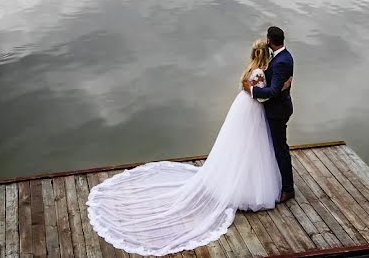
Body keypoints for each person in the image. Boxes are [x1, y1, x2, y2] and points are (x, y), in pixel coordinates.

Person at [87, 37, 292, 256]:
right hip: (254, 111)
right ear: (266, 54)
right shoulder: (261, 72)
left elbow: (263, 90)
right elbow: (265, 96)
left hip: (243, 109)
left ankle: (245, 181)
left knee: (243, 147)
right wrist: (276, 89)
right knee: (255, 148)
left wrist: (270, 88)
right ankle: (254, 186)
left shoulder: (251, 70)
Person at [244, 25, 295, 202]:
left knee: (280, 149)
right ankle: (279, 181)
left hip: (278, 112)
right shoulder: (284, 56)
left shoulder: (281, 61)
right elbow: (277, 84)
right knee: (276, 147)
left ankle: (288, 189)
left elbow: (272, 91)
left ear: (269, 40)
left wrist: (252, 90)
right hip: (279, 107)